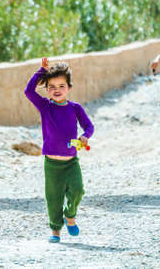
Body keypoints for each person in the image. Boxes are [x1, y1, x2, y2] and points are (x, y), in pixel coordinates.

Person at [24, 57, 94, 243]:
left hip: (71, 162)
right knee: (53, 198)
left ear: (69, 88)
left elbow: (89, 126)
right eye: (52, 86)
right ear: (47, 90)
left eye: (61, 86)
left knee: (78, 191)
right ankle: (55, 231)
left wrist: (85, 136)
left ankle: (70, 215)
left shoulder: (75, 108)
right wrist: (41, 71)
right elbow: (28, 91)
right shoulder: (45, 107)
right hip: (52, 164)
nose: (57, 90)